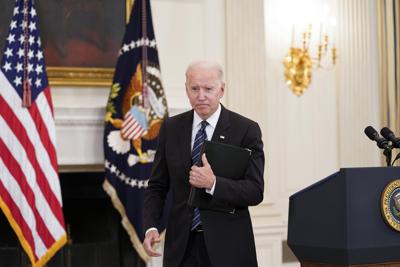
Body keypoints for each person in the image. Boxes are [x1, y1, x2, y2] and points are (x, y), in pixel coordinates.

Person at [142, 60, 265, 267]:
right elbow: (157, 186)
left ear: (221, 90)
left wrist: (213, 183)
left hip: (229, 248)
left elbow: (254, 191)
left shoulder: (246, 130)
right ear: (186, 89)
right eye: (194, 88)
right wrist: (151, 226)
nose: (201, 96)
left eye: (208, 89)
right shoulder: (171, 128)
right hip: (181, 248)